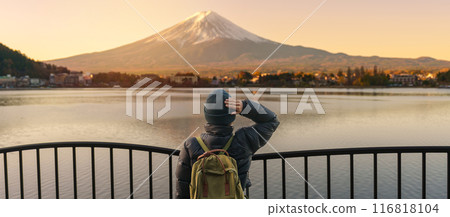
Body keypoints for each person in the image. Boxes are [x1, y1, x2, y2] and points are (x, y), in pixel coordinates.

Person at [175, 89, 280, 199]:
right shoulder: (244, 140)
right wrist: (245, 107)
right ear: (232, 114)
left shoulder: (190, 145)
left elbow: (182, 188)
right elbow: (272, 121)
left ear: (207, 115)